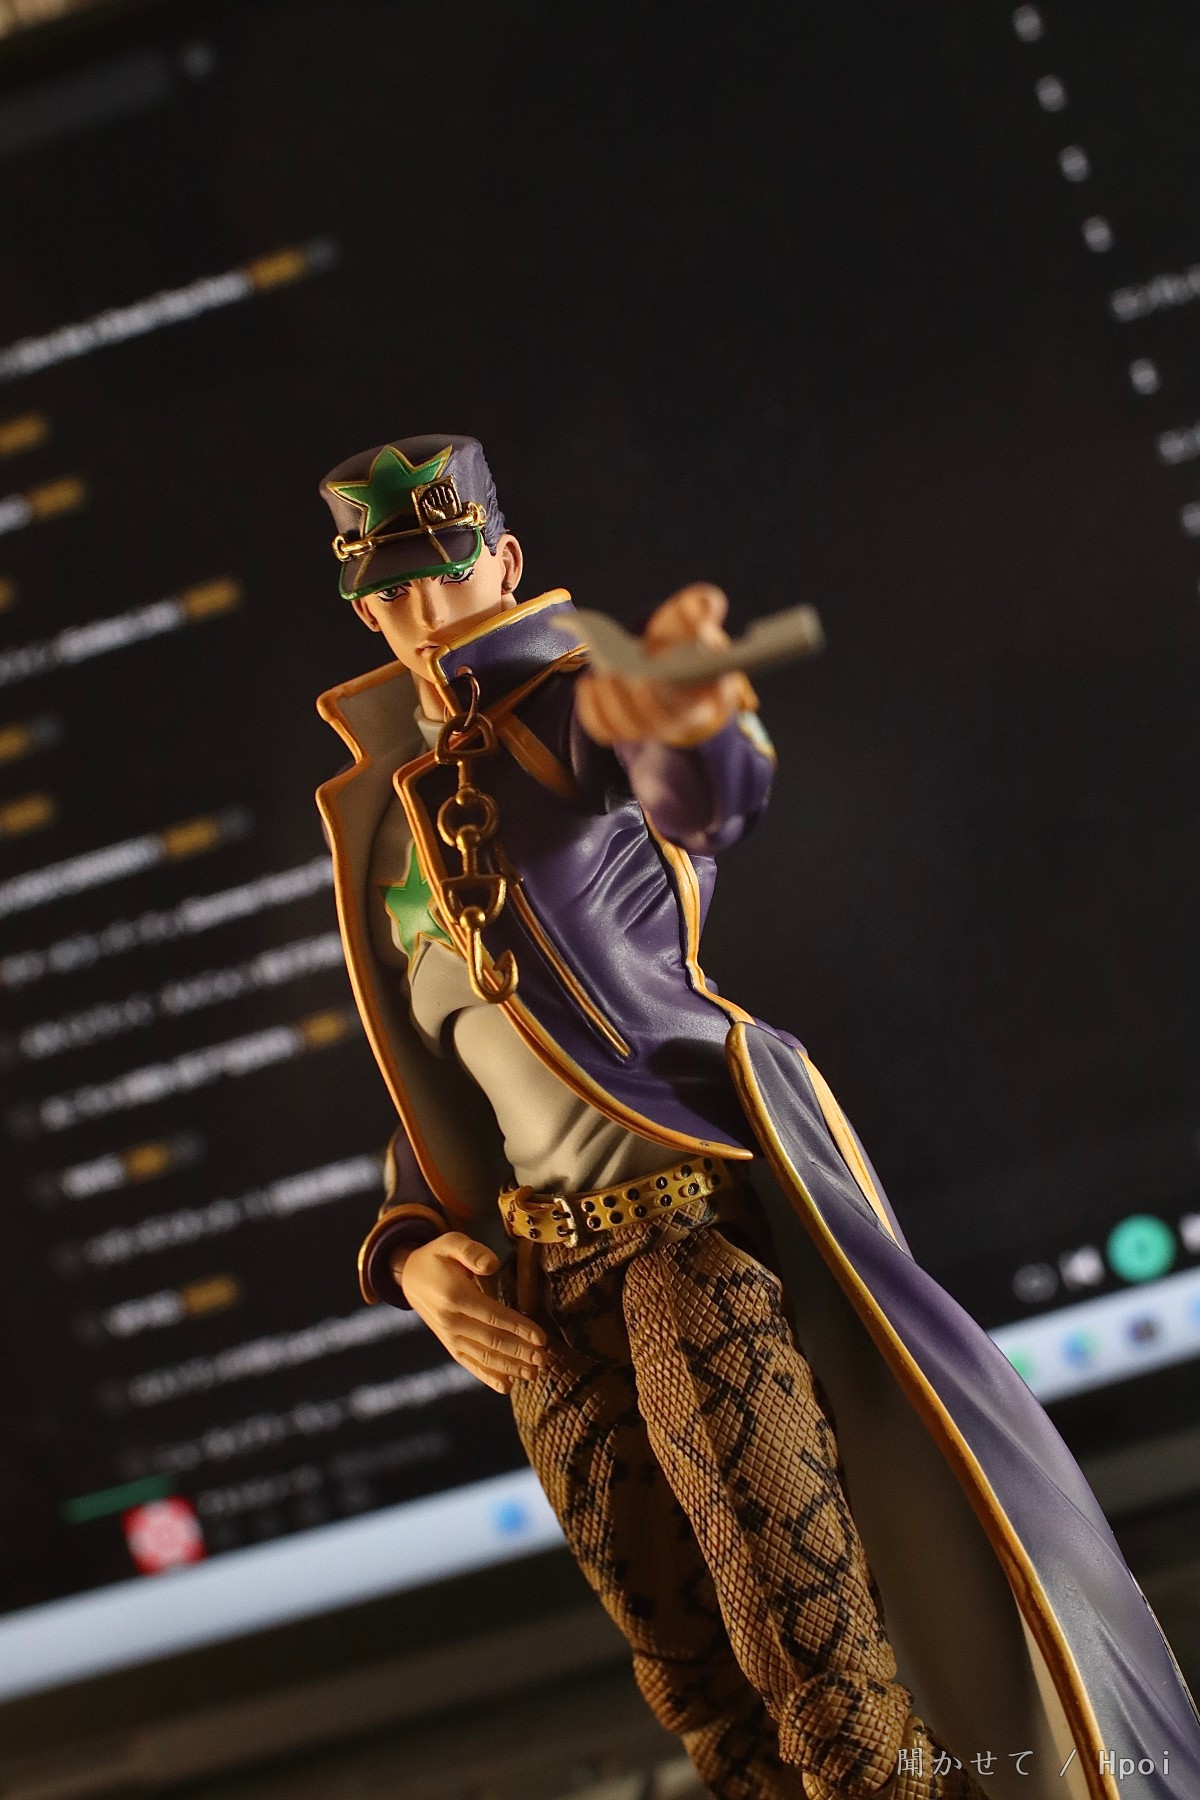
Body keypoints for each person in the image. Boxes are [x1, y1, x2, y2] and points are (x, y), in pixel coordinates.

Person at [315, 435, 1200, 1800]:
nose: (427, 611)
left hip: (684, 1239)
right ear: (362, 606)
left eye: (450, 569)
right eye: (393, 589)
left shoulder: (575, 711)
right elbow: (452, 1072)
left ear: (507, 559)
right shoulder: (380, 813)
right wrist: (416, 1244)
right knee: (698, 1687)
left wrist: (693, 724)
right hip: (547, 1289)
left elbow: (699, 793)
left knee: (813, 1651)